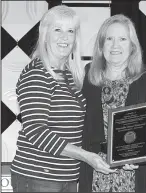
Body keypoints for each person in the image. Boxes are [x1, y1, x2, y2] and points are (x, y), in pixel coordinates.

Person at [10, 5, 116, 192]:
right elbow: (36, 131)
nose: (64, 37)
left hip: (66, 176)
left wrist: (117, 152)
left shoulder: (69, 75)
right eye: (57, 29)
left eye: (70, 31)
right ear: (45, 34)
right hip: (38, 177)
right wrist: (86, 156)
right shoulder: (37, 74)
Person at [79, 14, 146, 192]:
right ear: (101, 45)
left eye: (122, 39)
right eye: (109, 39)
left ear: (132, 45)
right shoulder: (88, 78)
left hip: (137, 176)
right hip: (95, 175)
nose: (115, 45)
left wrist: (140, 157)